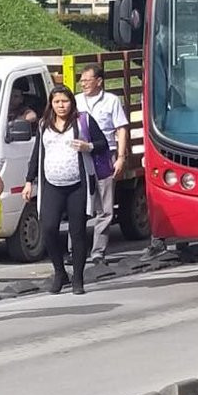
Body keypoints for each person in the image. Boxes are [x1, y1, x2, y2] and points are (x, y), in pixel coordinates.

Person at [23, 86, 108, 295]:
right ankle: (60, 272)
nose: (61, 106)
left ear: (72, 102)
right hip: (51, 184)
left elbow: (102, 144)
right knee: (49, 228)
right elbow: (37, 154)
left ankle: (78, 278)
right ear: (51, 104)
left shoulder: (83, 121)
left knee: (77, 231)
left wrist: (87, 147)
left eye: (65, 101)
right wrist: (29, 181)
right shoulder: (44, 125)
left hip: (77, 184)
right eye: (57, 102)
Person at [74, 65, 128, 266]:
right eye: (82, 80)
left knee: (105, 207)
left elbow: (121, 129)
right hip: (80, 156)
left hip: (105, 155)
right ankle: (75, 250)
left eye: (88, 80)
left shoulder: (112, 101)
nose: (84, 84)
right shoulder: (76, 101)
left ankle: (98, 252)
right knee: (79, 204)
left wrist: (121, 157)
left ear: (99, 81)